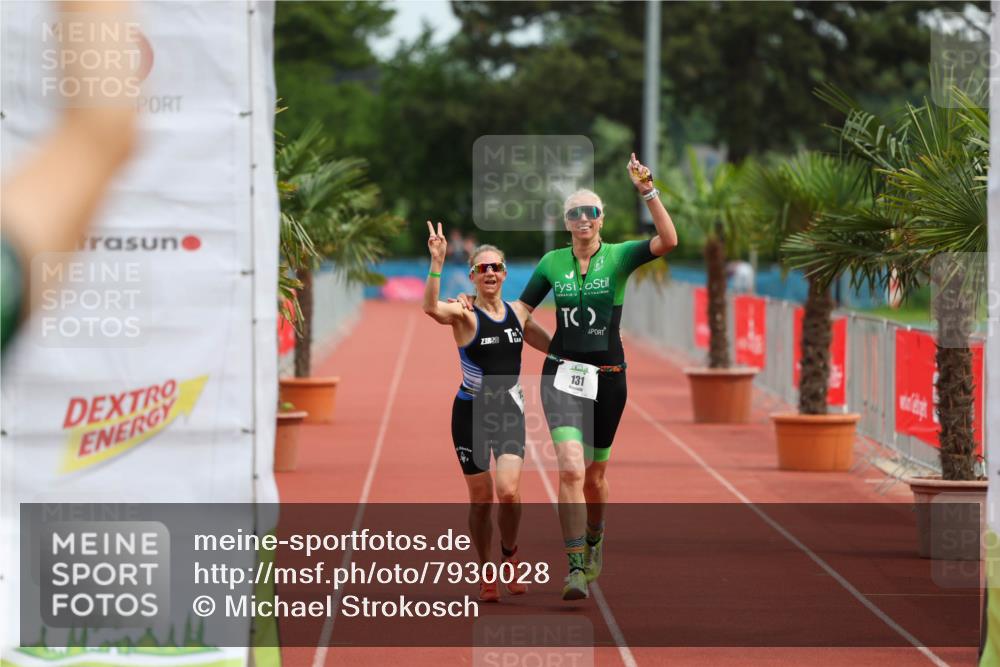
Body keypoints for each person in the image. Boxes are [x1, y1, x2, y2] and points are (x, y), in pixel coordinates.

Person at [458, 153, 678, 600]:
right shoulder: (551, 263)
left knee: (596, 475)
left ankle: (595, 537)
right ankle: (575, 565)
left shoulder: (619, 256)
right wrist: (481, 306)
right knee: (572, 468)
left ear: (601, 219)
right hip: (560, 373)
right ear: (566, 222)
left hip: (609, 376)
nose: (583, 219)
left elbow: (669, 241)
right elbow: (520, 310)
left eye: (590, 212)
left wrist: (648, 191)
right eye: (575, 213)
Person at [422, 220, 552, 602]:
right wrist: (437, 261)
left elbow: (558, 348)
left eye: (496, 267)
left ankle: (510, 553)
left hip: (508, 410)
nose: (490, 273)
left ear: (505, 273)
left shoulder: (519, 314)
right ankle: (485, 568)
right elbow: (430, 307)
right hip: (470, 414)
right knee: (480, 500)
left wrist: (593, 353)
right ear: (473, 277)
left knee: (508, 492)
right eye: (483, 268)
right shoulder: (465, 315)